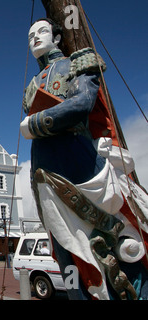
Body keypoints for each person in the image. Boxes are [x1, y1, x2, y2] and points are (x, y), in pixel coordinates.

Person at [21, 18, 148, 300]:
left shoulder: (75, 63)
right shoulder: (31, 85)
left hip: (78, 160)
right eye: (30, 36)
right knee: (66, 250)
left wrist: (36, 123)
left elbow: (82, 103)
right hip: (44, 171)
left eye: (41, 32)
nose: (35, 39)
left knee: (111, 239)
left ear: (57, 37)